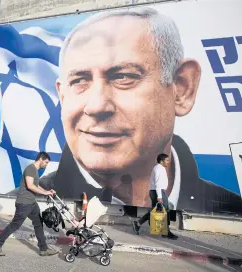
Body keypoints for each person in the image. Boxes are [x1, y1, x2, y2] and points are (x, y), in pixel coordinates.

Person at [38, 7, 242, 215]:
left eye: (123, 77)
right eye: (79, 81)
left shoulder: (233, 211)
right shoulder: (33, 205)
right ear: (62, 97)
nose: (96, 106)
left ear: (181, 88)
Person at [0, 152, 58, 256]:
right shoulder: (30, 169)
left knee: (38, 223)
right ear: (40, 159)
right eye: (46, 162)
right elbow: (30, 186)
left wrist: (48, 191)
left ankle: (43, 249)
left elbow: (36, 185)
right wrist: (45, 193)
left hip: (31, 203)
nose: (46, 165)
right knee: (15, 225)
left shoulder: (35, 171)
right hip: (24, 203)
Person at [132, 154, 178, 240]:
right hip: (158, 192)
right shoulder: (159, 169)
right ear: (161, 161)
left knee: (156, 211)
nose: (168, 162)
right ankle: (166, 232)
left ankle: (138, 223)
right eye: (166, 160)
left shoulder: (159, 168)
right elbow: (158, 184)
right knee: (165, 211)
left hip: (157, 192)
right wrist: (159, 196)